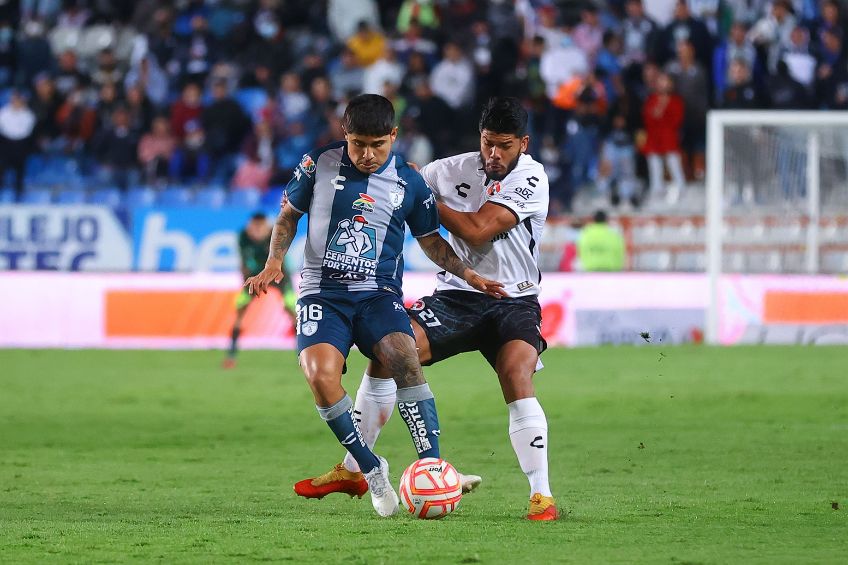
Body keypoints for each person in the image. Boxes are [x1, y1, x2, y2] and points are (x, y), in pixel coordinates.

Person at [294, 97, 559, 521]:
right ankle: (354, 470)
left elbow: (478, 230)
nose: (494, 153)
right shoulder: (449, 169)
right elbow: (398, 184)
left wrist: (424, 198)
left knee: (516, 374)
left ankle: (541, 495)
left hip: (513, 299)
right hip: (456, 295)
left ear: (522, 144)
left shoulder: (532, 179)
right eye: (488, 142)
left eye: (505, 146)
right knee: (389, 353)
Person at [245, 94, 505, 518]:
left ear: (394, 137)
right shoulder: (317, 164)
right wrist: (274, 260)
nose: (367, 155)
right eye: (357, 144)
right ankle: (372, 469)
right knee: (320, 375)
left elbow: (431, 241)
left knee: (405, 358)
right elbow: (289, 215)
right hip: (322, 293)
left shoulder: (410, 183)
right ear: (344, 135)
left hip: (378, 295)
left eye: (377, 145)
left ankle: (431, 465)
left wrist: (469, 275)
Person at [223, 213, 297, 370]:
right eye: (253, 228)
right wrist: (245, 281)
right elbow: (243, 261)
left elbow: (282, 260)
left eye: (259, 228)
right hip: (255, 275)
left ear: (266, 227)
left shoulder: (275, 234)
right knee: (240, 308)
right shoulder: (242, 236)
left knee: (291, 309)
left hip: (279, 275)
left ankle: (303, 357)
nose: (255, 231)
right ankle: (231, 356)